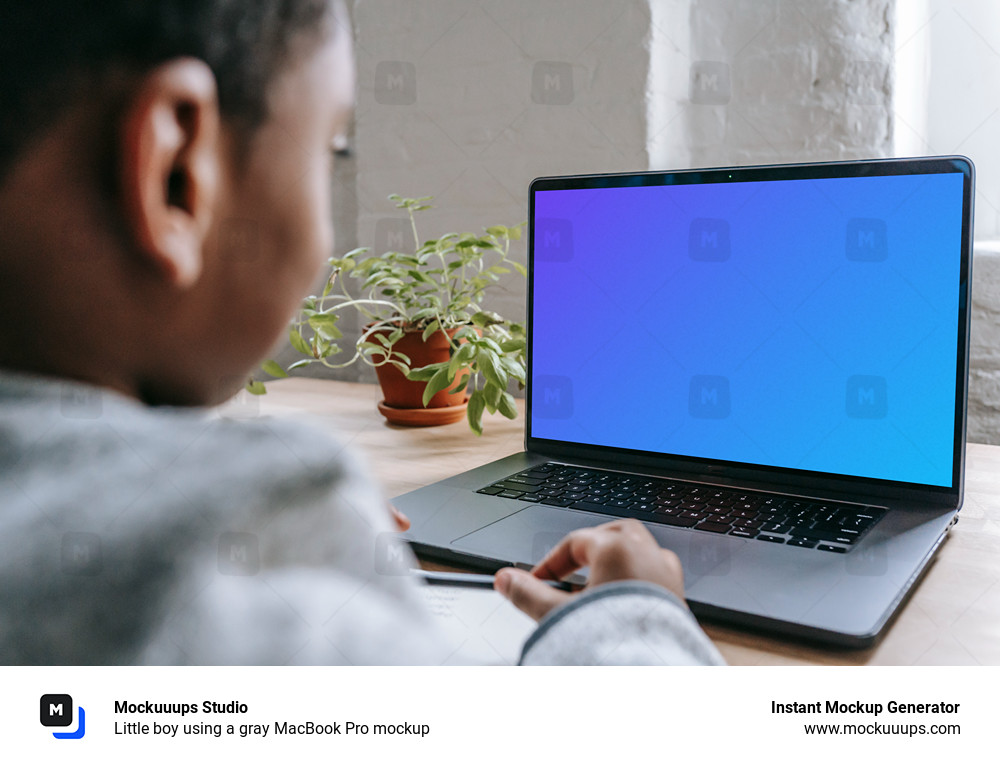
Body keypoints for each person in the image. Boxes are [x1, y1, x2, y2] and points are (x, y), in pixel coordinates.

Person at [0, 0, 723, 666]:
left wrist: (159, 465)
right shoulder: (241, 554)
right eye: (328, 145)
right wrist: (639, 617)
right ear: (175, 175)